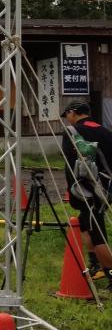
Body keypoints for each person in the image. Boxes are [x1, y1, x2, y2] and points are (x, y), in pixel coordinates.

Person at [60, 101, 112, 286]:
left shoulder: (72, 131)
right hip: (105, 186)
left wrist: (72, 191)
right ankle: (96, 264)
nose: (67, 119)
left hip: (86, 189)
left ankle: (110, 273)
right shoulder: (104, 130)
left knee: (97, 231)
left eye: (66, 114)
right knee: (85, 223)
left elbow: (70, 164)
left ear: (73, 112)